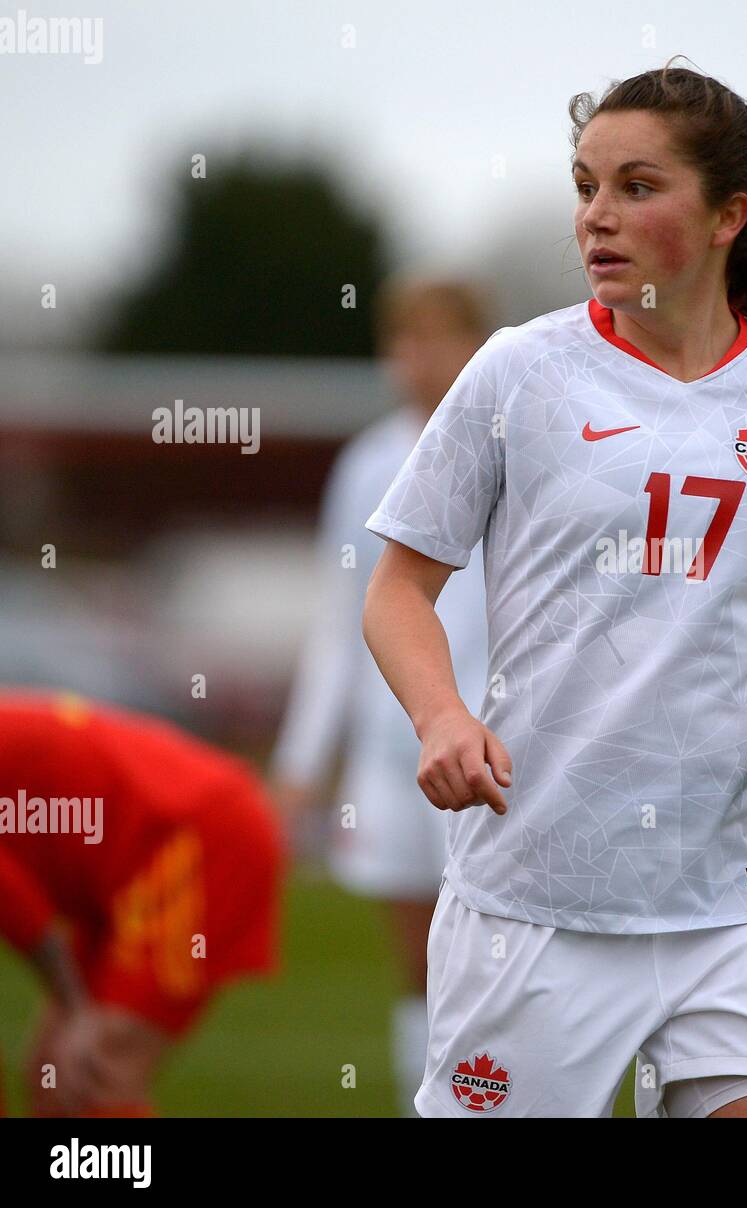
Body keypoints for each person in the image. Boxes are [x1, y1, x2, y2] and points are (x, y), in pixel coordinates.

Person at [362, 61, 747, 1119]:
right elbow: (395, 591)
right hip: (535, 895)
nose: (596, 218)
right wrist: (442, 717)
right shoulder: (519, 373)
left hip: (734, 898)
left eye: (636, 187)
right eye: (584, 187)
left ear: (727, 216)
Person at [269, 277, 493, 1114]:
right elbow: (341, 616)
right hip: (389, 754)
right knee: (418, 964)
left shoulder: (513, 442)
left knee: (488, 962)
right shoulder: (366, 462)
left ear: (476, 342)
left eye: (438, 338)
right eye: (404, 340)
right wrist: (302, 759)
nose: (419, 359)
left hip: (490, 747)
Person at [0, 690, 283, 1116]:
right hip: (128, 866)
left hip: (192, 838)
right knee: (54, 1073)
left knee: (98, 1070)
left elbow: (18, 908)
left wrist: (75, 1008)